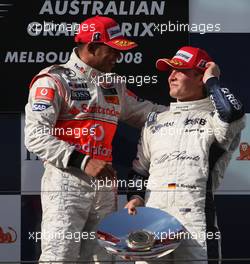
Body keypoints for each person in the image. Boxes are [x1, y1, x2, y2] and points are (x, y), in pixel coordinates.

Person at [24, 15, 166, 263]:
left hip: (104, 185)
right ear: (91, 47)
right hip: (66, 181)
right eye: (112, 51)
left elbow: (147, 112)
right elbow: (35, 136)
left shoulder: (114, 86)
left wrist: (193, 110)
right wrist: (83, 161)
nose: (118, 58)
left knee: (102, 258)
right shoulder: (54, 80)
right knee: (60, 257)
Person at [125, 46, 245, 264]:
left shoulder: (215, 118)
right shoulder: (155, 120)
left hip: (195, 219)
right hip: (153, 219)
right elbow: (140, 171)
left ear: (201, 77)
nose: (172, 76)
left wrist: (213, 81)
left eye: (180, 70)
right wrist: (135, 197)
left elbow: (232, 112)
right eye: (170, 70)